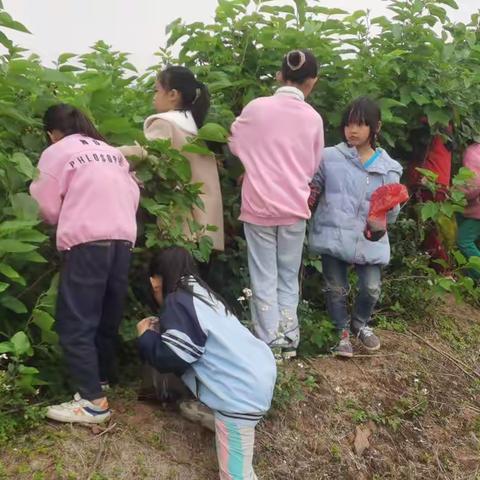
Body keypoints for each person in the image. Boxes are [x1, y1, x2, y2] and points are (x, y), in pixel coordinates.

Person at [30, 104, 140, 423]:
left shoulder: (57, 152)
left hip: (87, 240)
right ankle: (102, 378)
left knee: (76, 319)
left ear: (51, 133)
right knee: (107, 314)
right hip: (122, 238)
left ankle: (92, 402)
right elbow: (133, 194)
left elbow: (46, 207)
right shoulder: (110, 151)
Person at [137, 247, 276, 480]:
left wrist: (146, 336)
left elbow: (172, 356)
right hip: (258, 375)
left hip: (239, 396)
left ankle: (229, 428)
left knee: (236, 476)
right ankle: (217, 419)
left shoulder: (177, 301)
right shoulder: (200, 294)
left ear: (155, 282)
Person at [228, 50, 324, 359]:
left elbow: (235, 142)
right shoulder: (312, 118)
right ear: (312, 82)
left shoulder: (257, 108)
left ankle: (267, 344)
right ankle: (288, 341)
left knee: (263, 275)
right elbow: (312, 166)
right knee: (287, 275)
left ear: (280, 75)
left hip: (258, 204)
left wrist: (253, 164)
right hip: (293, 207)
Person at [309, 97, 403, 357]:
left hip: (370, 238)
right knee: (335, 288)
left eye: (360, 125)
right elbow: (312, 188)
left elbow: (392, 213)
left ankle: (360, 323)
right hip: (333, 232)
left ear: (376, 127)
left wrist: (389, 208)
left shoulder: (389, 168)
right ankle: (342, 333)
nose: (353, 130)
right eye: (349, 124)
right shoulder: (329, 157)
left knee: (371, 287)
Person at [120, 65, 224, 251]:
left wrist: (107, 153)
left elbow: (145, 153)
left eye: (156, 90)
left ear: (173, 94)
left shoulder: (165, 124)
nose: (154, 96)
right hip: (203, 223)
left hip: (178, 223)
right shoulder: (193, 129)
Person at [457, 141, 480, 279]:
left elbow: (473, 185)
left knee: (464, 240)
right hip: (473, 209)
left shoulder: (474, 153)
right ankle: (474, 279)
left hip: (477, 211)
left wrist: (454, 192)